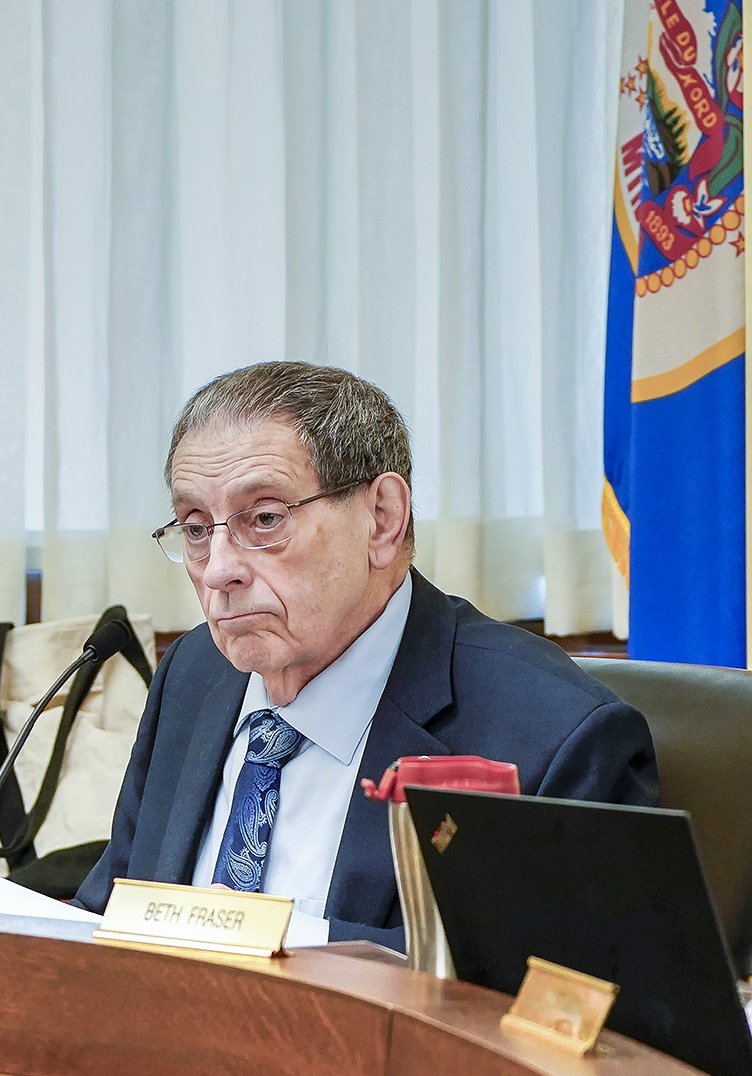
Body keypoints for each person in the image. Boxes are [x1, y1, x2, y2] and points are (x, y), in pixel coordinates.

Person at [73, 361, 656, 948]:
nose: (219, 569)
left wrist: (269, 946)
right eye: (197, 528)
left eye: (266, 519)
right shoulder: (195, 672)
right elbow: (107, 914)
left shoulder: (553, 735)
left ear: (381, 519)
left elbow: (551, 997)